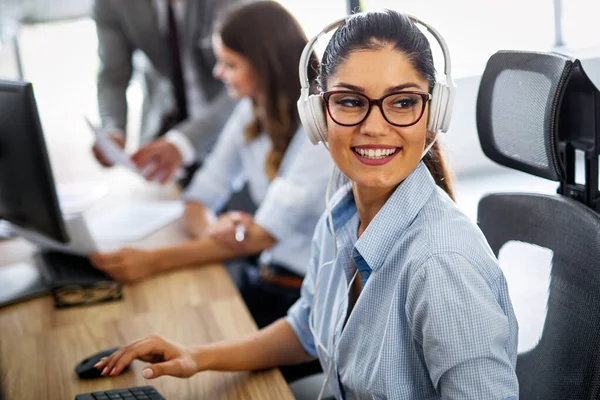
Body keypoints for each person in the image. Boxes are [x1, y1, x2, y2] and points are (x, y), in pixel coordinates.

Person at [94, 10, 519, 399]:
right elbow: (306, 329)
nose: (375, 127)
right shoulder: (340, 217)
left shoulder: (442, 265)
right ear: (318, 116)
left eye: (403, 102)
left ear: (434, 114)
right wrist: (196, 357)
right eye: (350, 101)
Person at [90, 1, 332, 331]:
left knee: (186, 326)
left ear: (263, 65)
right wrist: (213, 231)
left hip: (305, 297)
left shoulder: (321, 132)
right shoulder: (249, 111)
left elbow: (260, 236)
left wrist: (151, 261)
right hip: (266, 279)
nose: (218, 74)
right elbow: (200, 195)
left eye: (229, 65)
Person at [91, 0, 241, 184]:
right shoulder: (113, 4)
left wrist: (183, 142)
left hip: (230, 127)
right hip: (163, 135)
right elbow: (113, 76)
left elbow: (251, 78)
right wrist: (113, 129)